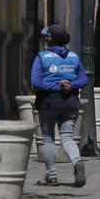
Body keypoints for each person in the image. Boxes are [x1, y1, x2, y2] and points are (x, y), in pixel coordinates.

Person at [30, 23, 87, 187]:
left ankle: (51, 176)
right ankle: (76, 161)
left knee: (47, 139)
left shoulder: (41, 57)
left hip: (48, 103)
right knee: (67, 138)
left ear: (49, 39)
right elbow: (84, 80)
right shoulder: (74, 57)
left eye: (45, 37)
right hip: (70, 102)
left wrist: (55, 86)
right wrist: (70, 86)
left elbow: (36, 82)